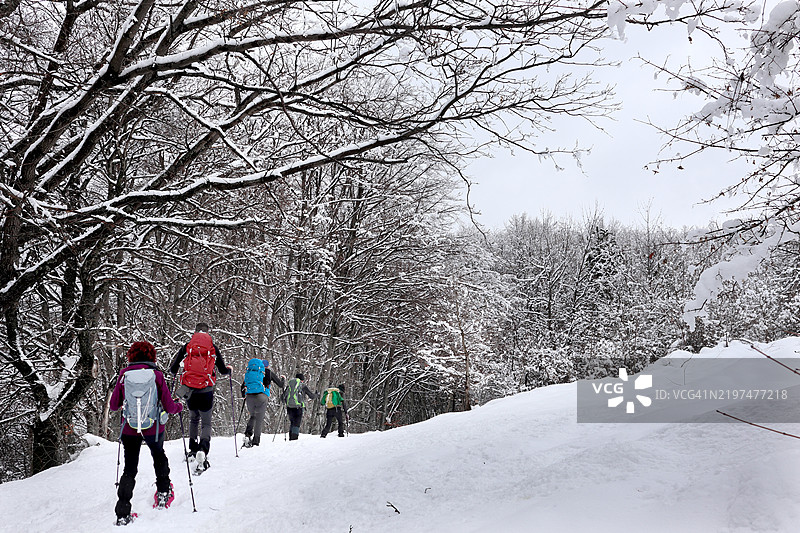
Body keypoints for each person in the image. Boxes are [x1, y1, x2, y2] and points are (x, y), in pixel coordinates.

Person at [110, 341, 183, 526]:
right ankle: (163, 494)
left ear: (131, 356)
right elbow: (169, 406)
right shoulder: (157, 375)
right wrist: (179, 406)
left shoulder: (124, 375)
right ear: (152, 356)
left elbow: (113, 405)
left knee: (129, 468)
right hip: (154, 427)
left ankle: (123, 513)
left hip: (129, 427)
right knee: (158, 455)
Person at [169, 322, 230, 472]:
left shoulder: (187, 347)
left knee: (193, 419)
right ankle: (203, 448)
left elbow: (173, 369)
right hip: (206, 391)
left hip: (190, 390)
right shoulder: (212, 348)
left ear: (195, 332)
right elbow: (222, 370)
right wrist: (228, 370)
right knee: (206, 423)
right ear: (208, 332)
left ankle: (193, 449)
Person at [240, 358, 285, 447]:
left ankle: (247, 435)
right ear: (267, 366)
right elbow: (280, 385)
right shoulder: (268, 372)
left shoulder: (250, 372)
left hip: (249, 397)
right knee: (259, 420)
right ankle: (256, 442)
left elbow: (243, 387)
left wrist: (245, 395)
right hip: (262, 396)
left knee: (253, 416)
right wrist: (283, 379)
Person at [281, 373, 319, 441]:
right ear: (302, 380)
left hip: (289, 407)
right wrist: (316, 395)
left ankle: (290, 438)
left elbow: (283, 396)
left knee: (292, 422)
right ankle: (294, 438)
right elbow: (311, 396)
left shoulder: (289, 385)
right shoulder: (302, 386)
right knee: (296, 423)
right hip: (298, 407)